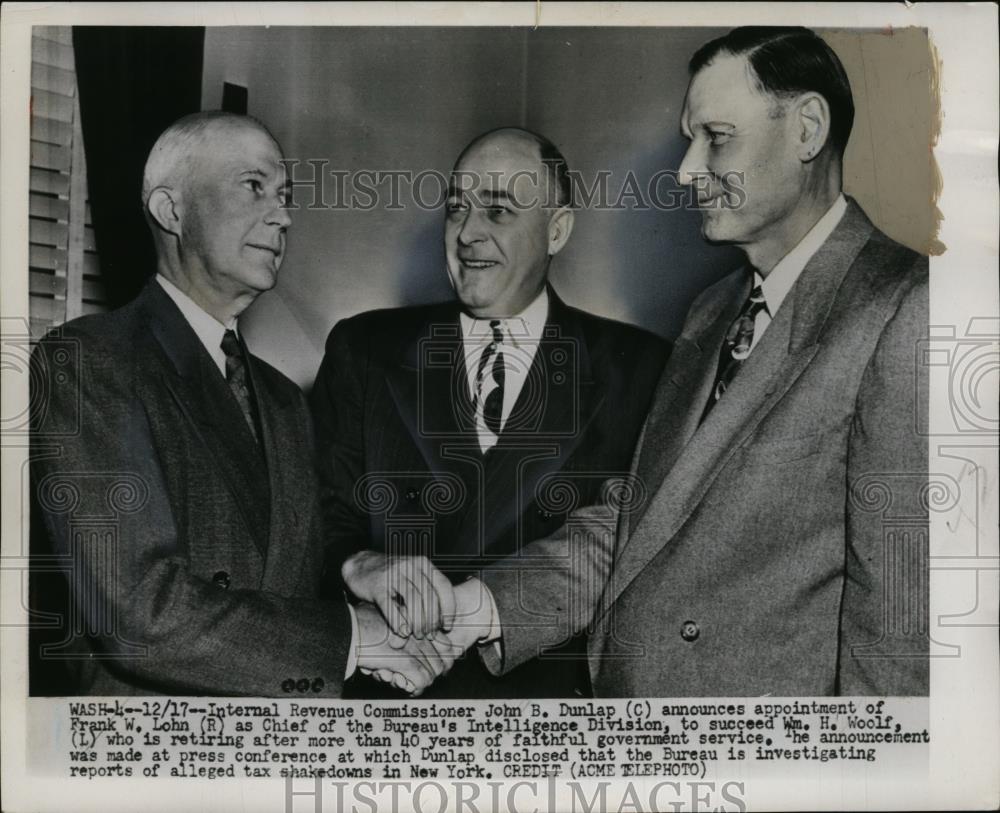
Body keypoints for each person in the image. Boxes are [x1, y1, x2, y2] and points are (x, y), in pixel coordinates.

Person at [458, 27, 929, 696]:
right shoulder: (713, 309)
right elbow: (646, 523)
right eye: (690, 139)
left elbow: (898, 646)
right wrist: (477, 608)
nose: (685, 171)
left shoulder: (906, 310)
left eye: (717, 137)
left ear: (807, 129)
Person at [29, 111, 454, 696]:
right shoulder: (87, 362)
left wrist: (354, 568)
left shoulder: (282, 400)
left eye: (285, 196)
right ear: (170, 210)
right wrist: (355, 637)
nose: (283, 216)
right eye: (254, 186)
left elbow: (281, 576)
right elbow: (139, 612)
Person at [310, 127, 669, 697]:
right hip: (385, 705)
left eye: (498, 211)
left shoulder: (642, 368)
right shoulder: (366, 349)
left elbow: (633, 547)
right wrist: (357, 563)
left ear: (557, 229)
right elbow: (314, 519)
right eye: (457, 208)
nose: (467, 233)